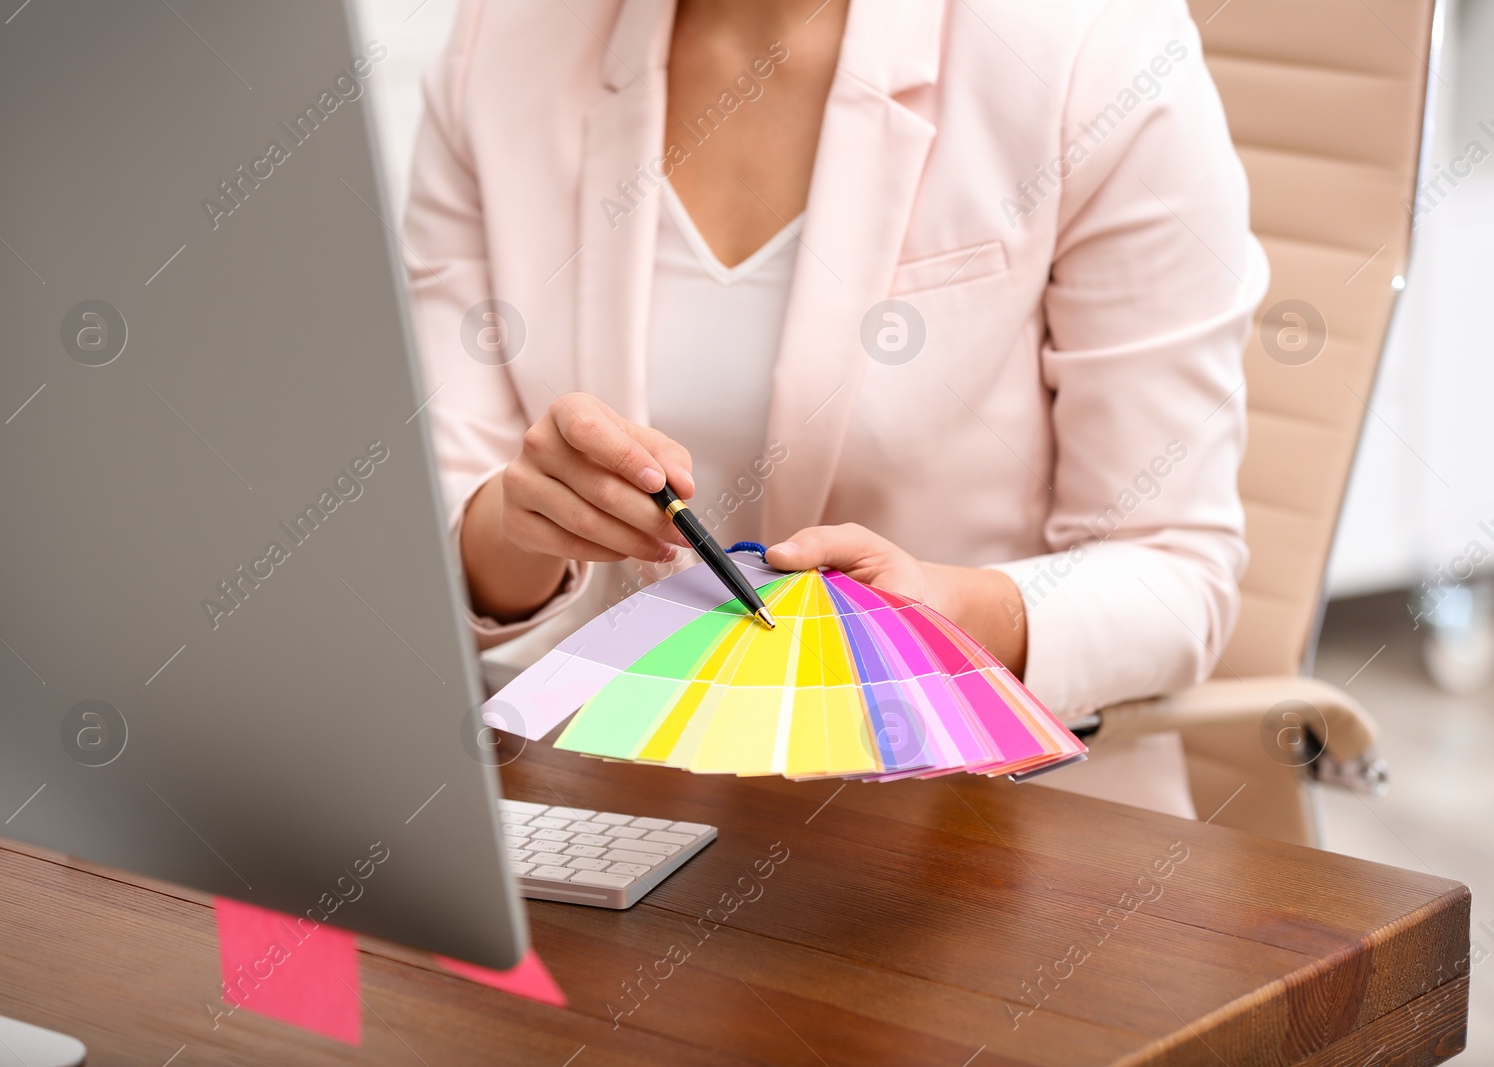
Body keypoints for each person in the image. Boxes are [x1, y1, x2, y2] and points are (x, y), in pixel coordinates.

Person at [404, 0, 1268, 816]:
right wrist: (525, 529)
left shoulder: (1088, 50)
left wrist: (941, 611)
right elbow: (427, 540)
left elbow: (1174, 568)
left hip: (975, 836)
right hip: (627, 810)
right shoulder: (505, 39)